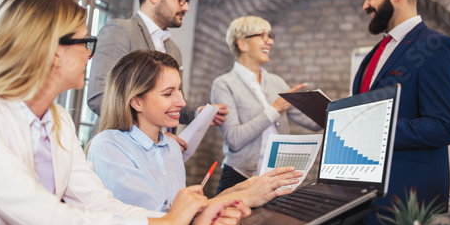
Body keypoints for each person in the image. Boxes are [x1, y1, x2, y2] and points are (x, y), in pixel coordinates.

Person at [0, 0, 250, 225]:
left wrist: (189, 220)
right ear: (53, 52)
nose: (91, 53)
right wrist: (170, 223)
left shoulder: (59, 119)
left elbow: (100, 205)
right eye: (86, 42)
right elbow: (49, 221)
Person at [86, 50, 303, 212]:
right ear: (136, 102)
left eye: (179, 90)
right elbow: (162, 217)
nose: (181, 101)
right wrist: (245, 197)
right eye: (168, 93)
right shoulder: (108, 146)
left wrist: (236, 191)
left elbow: (179, 212)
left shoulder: (170, 146)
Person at [352, 0, 450, 225]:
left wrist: (375, 130)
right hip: (361, 199)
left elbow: (443, 126)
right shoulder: (371, 56)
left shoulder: (436, 46)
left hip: (406, 203)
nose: (365, 5)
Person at [87, 0, 227, 142]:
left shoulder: (173, 49)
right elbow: (100, 96)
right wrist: (154, 135)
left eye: (187, 1)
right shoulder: (120, 31)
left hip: (159, 157)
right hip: (117, 149)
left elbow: (169, 100)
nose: (186, 8)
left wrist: (198, 113)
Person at [211, 16, 322, 194]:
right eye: (262, 35)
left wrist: (335, 109)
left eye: (270, 36)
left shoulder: (277, 83)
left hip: (276, 179)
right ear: (243, 44)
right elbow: (234, 139)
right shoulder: (224, 84)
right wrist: (274, 109)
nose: (269, 41)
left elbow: (313, 123)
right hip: (239, 178)